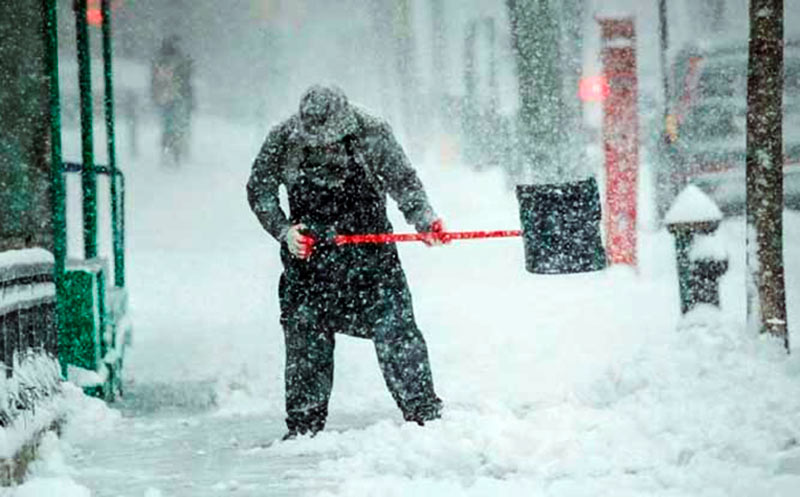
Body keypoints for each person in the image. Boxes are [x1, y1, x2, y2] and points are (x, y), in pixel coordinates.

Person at [246, 85, 447, 439]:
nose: (324, 147)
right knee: (306, 342)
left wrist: (424, 219)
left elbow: (403, 181)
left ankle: (424, 416)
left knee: (397, 332)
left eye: (331, 141)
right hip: (309, 265)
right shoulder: (282, 138)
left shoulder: (372, 131)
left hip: (372, 263)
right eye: (316, 142)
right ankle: (304, 427)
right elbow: (259, 190)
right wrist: (284, 231)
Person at [150, 35, 194, 165]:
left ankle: (168, 148)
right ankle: (175, 147)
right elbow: (186, 77)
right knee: (177, 124)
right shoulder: (180, 60)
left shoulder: (160, 61)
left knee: (168, 124)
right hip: (177, 96)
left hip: (166, 97)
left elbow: (155, 80)